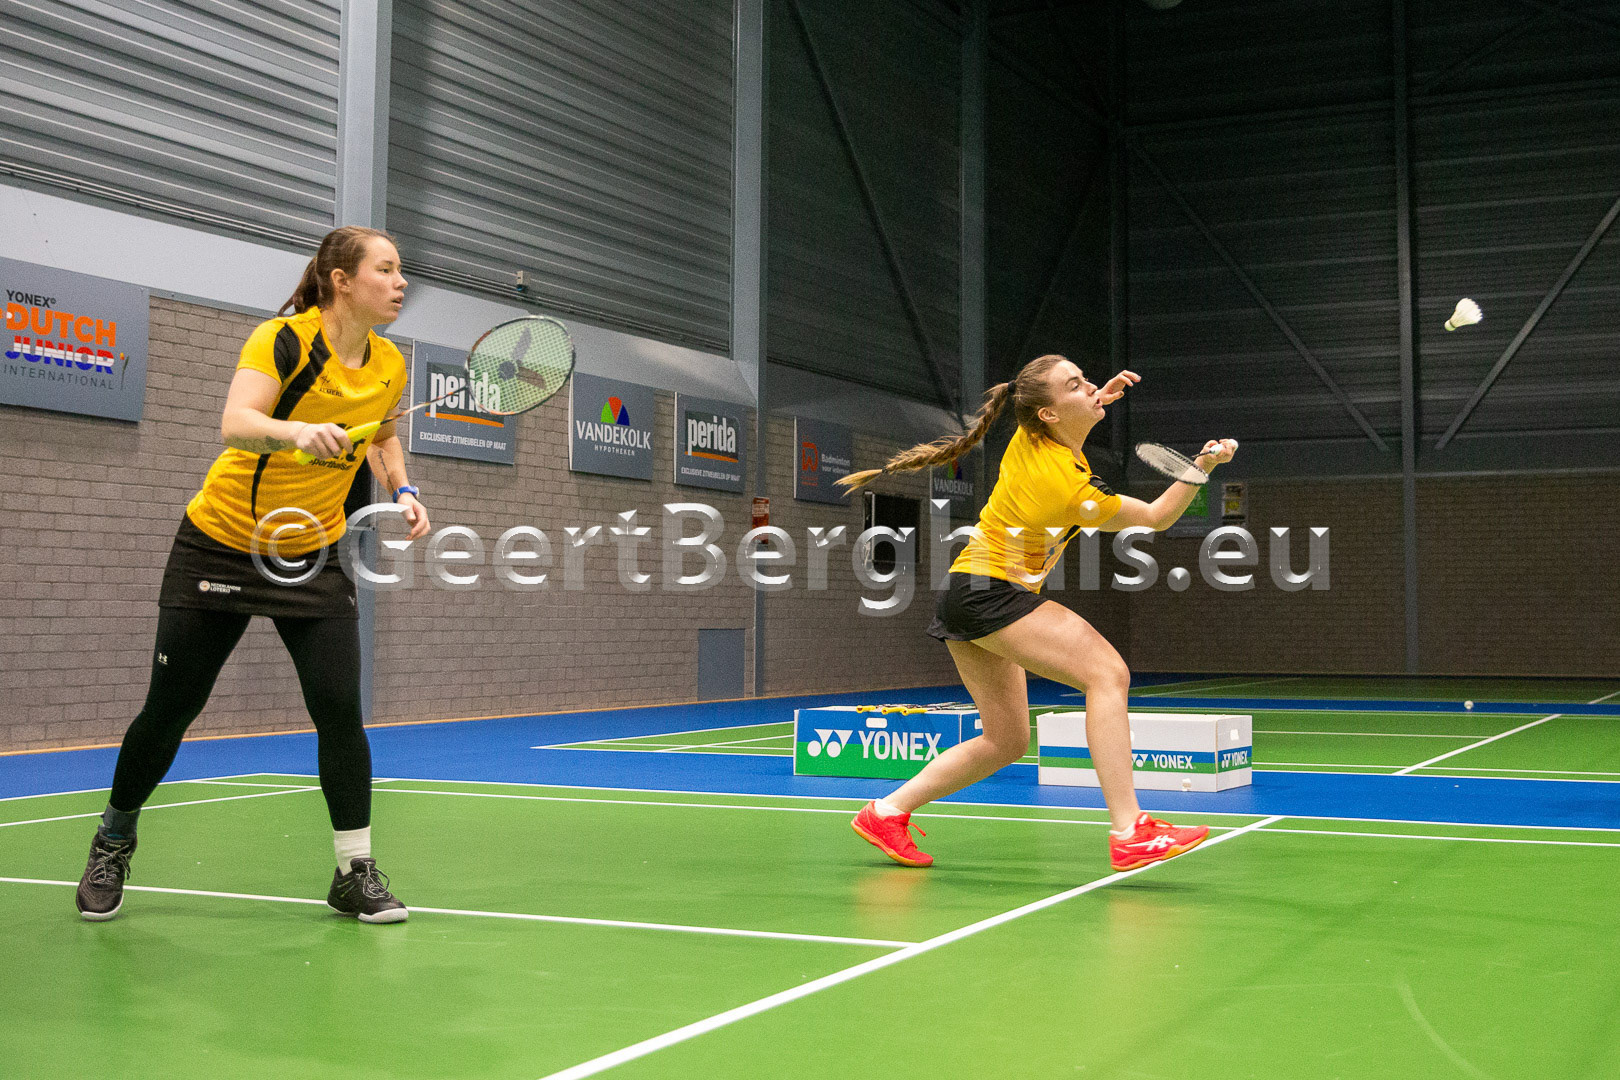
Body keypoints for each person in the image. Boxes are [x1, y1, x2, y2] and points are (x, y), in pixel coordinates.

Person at [75, 226, 430, 923]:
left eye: (400, 271)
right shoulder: (283, 340)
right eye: (386, 270)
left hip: (313, 551)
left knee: (339, 711)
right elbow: (236, 423)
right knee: (171, 709)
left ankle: (353, 870)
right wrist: (296, 432)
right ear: (341, 281)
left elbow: (383, 434)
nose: (401, 282)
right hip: (223, 542)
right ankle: (113, 839)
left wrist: (404, 489)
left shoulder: (390, 362)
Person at [838, 354, 1236, 871]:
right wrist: (1201, 467)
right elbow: (1158, 517)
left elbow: (1061, 423)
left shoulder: (1030, 437)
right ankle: (1131, 830)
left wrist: (1090, 400)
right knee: (1108, 674)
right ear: (1048, 414)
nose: (1090, 386)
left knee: (1006, 740)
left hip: (966, 591)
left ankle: (886, 813)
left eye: (1086, 378)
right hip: (991, 592)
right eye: (1075, 385)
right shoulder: (1068, 489)